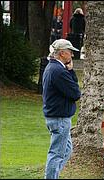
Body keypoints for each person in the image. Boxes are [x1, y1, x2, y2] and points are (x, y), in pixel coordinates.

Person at [42, 39, 81, 179]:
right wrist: (70, 72)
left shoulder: (52, 67)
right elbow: (76, 93)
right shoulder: (59, 71)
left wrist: (69, 70)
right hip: (60, 118)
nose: (72, 55)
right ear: (62, 53)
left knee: (67, 150)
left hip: (56, 117)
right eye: (70, 52)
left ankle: (53, 175)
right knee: (57, 153)